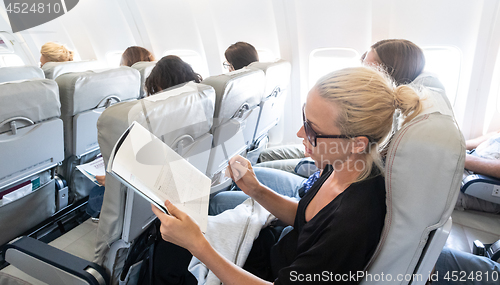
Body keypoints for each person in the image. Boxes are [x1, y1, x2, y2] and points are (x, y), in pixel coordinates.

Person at [152, 66, 423, 284]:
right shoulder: (341, 163)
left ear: (357, 143)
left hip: (271, 274)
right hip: (275, 252)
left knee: (171, 250)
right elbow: (307, 219)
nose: (300, 135)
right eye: (304, 120)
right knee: (167, 237)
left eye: (312, 130)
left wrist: (198, 246)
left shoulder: (351, 224)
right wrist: (255, 189)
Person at [258, 38, 428, 172]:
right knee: (264, 156)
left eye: (369, 68)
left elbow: (340, 154)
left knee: (260, 167)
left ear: (388, 73)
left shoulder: (382, 120)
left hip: (329, 156)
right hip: (324, 147)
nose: (360, 70)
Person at [455, 129, 500, 213]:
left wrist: (461, 158)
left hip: (481, 186)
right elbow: (496, 135)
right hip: (468, 161)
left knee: (432, 184)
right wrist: (457, 147)